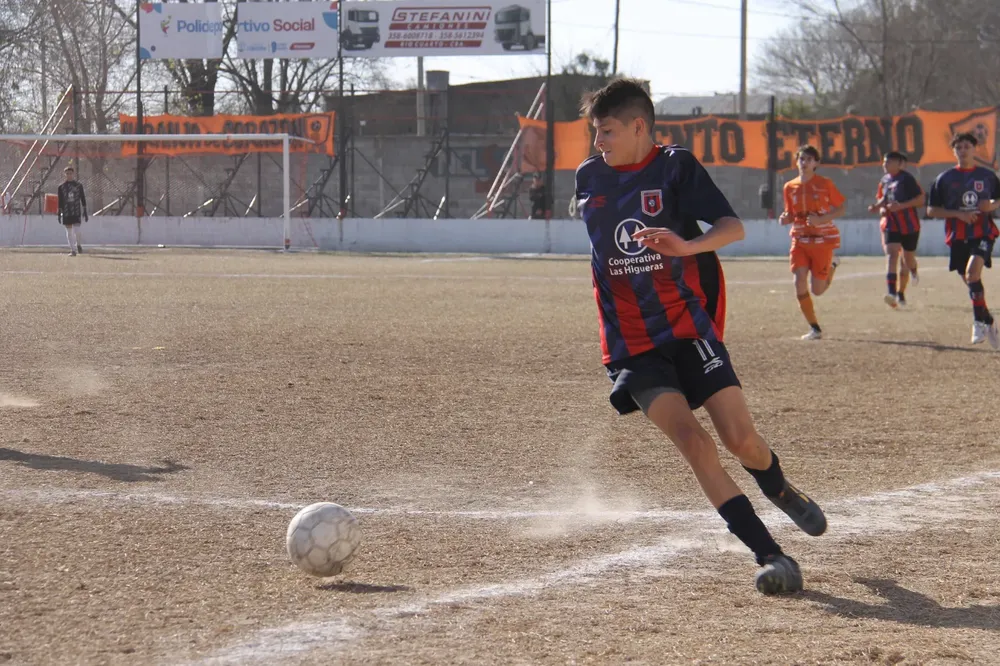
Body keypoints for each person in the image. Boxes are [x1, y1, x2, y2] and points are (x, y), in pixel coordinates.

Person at [575, 78, 827, 595]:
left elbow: (733, 228)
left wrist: (684, 246)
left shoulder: (675, 167)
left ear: (639, 126)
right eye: (595, 132)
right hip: (631, 345)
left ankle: (778, 486)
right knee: (694, 443)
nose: (598, 141)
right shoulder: (588, 177)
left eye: (606, 131)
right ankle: (771, 555)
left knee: (742, 442)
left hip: (689, 329)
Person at [927, 132, 1000, 348]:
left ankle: (978, 321)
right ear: (954, 151)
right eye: (959, 147)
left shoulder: (987, 176)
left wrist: (992, 206)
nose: (963, 150)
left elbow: (998, 198)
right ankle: (988, 321)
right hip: (957, 235)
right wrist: (959, 214)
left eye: (967, 146)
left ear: (975, 149)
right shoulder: (944, 179)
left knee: (972, 273)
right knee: (971, 281)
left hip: (983, 232)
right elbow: (931, 210)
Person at [780, 145, 847, 340]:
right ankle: (814, 328)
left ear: (816, 163)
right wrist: (785, 218)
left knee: (818, 290)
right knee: (798, 281)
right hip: (799, 240)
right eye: (801, 158)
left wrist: (821, 220)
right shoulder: (789, 187)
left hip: (822, 241)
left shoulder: (825, 184)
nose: (804, 162)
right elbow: (790, 213)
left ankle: (833, 265)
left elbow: (841, 208)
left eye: (809, 159)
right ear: (796, 161)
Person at [868, 151, 924, 308]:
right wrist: (878, 208)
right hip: (891, 224)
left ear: (899, 164)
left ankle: (909, 277)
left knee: (907, 260)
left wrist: (901, 206)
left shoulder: (907, 179)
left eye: (888, 162)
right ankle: (892, 292)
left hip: (909, 224)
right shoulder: (884, 180)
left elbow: (920, 200)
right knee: (892, 255)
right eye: (884, 162)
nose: (884, 165)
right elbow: (883, 198)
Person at [57, 165, 88, 256]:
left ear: (73, 174)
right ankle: (73, 250)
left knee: (77, 231)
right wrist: (59, 212)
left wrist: (85, 210)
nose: (69, 175)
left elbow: (82, 197)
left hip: (76, 210)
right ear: (65, 174)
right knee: (69, 231)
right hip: (67, 212)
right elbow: (60, 200)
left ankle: (78, 244)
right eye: (67, 174)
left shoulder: (78, 185)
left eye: (70, 173)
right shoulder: (61, 187)